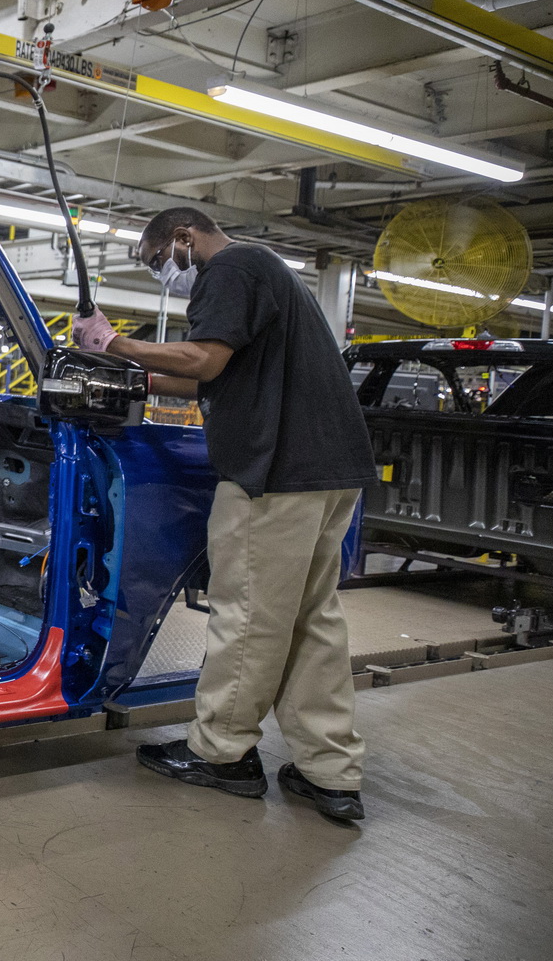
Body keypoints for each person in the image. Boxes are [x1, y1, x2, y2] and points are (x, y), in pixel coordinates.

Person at [71, 207, 377, 823]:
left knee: (249, 617)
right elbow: (216, 376)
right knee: (311, 621)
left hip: (274, 474)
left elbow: (205, 360)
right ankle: (330, 772)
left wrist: (113, 343)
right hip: (329, 471)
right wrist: (136, 377)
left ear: (184, 238)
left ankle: (221, 754)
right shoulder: (269, 271)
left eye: (159, 261)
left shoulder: (230, 266)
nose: (166, 274)